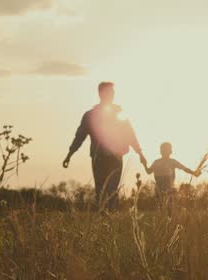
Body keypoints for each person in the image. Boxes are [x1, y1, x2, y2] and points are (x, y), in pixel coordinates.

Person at [63, 82, 147, 211]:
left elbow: (130, 135)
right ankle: (103, 216)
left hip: (115, 157)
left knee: (111, 189)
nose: (112, 95)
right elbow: (79, 137)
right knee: (101, 189)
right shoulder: (90, 115)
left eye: (113, 92)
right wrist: (70, 154)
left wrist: (140, 153)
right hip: (99, 157)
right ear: (100, 94)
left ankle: (110, 215)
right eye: (109, 92)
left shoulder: (120, 114)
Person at [144, 142, 199, 207]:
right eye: (168, 149)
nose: (169, 151)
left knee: (165, 208)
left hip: (166, 191)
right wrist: (194, 173)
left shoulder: (164, 162)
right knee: (165, 207)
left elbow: (184, 168)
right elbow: (149, 171)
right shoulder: (164, 162)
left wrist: (194, 173)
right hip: (162, 192)